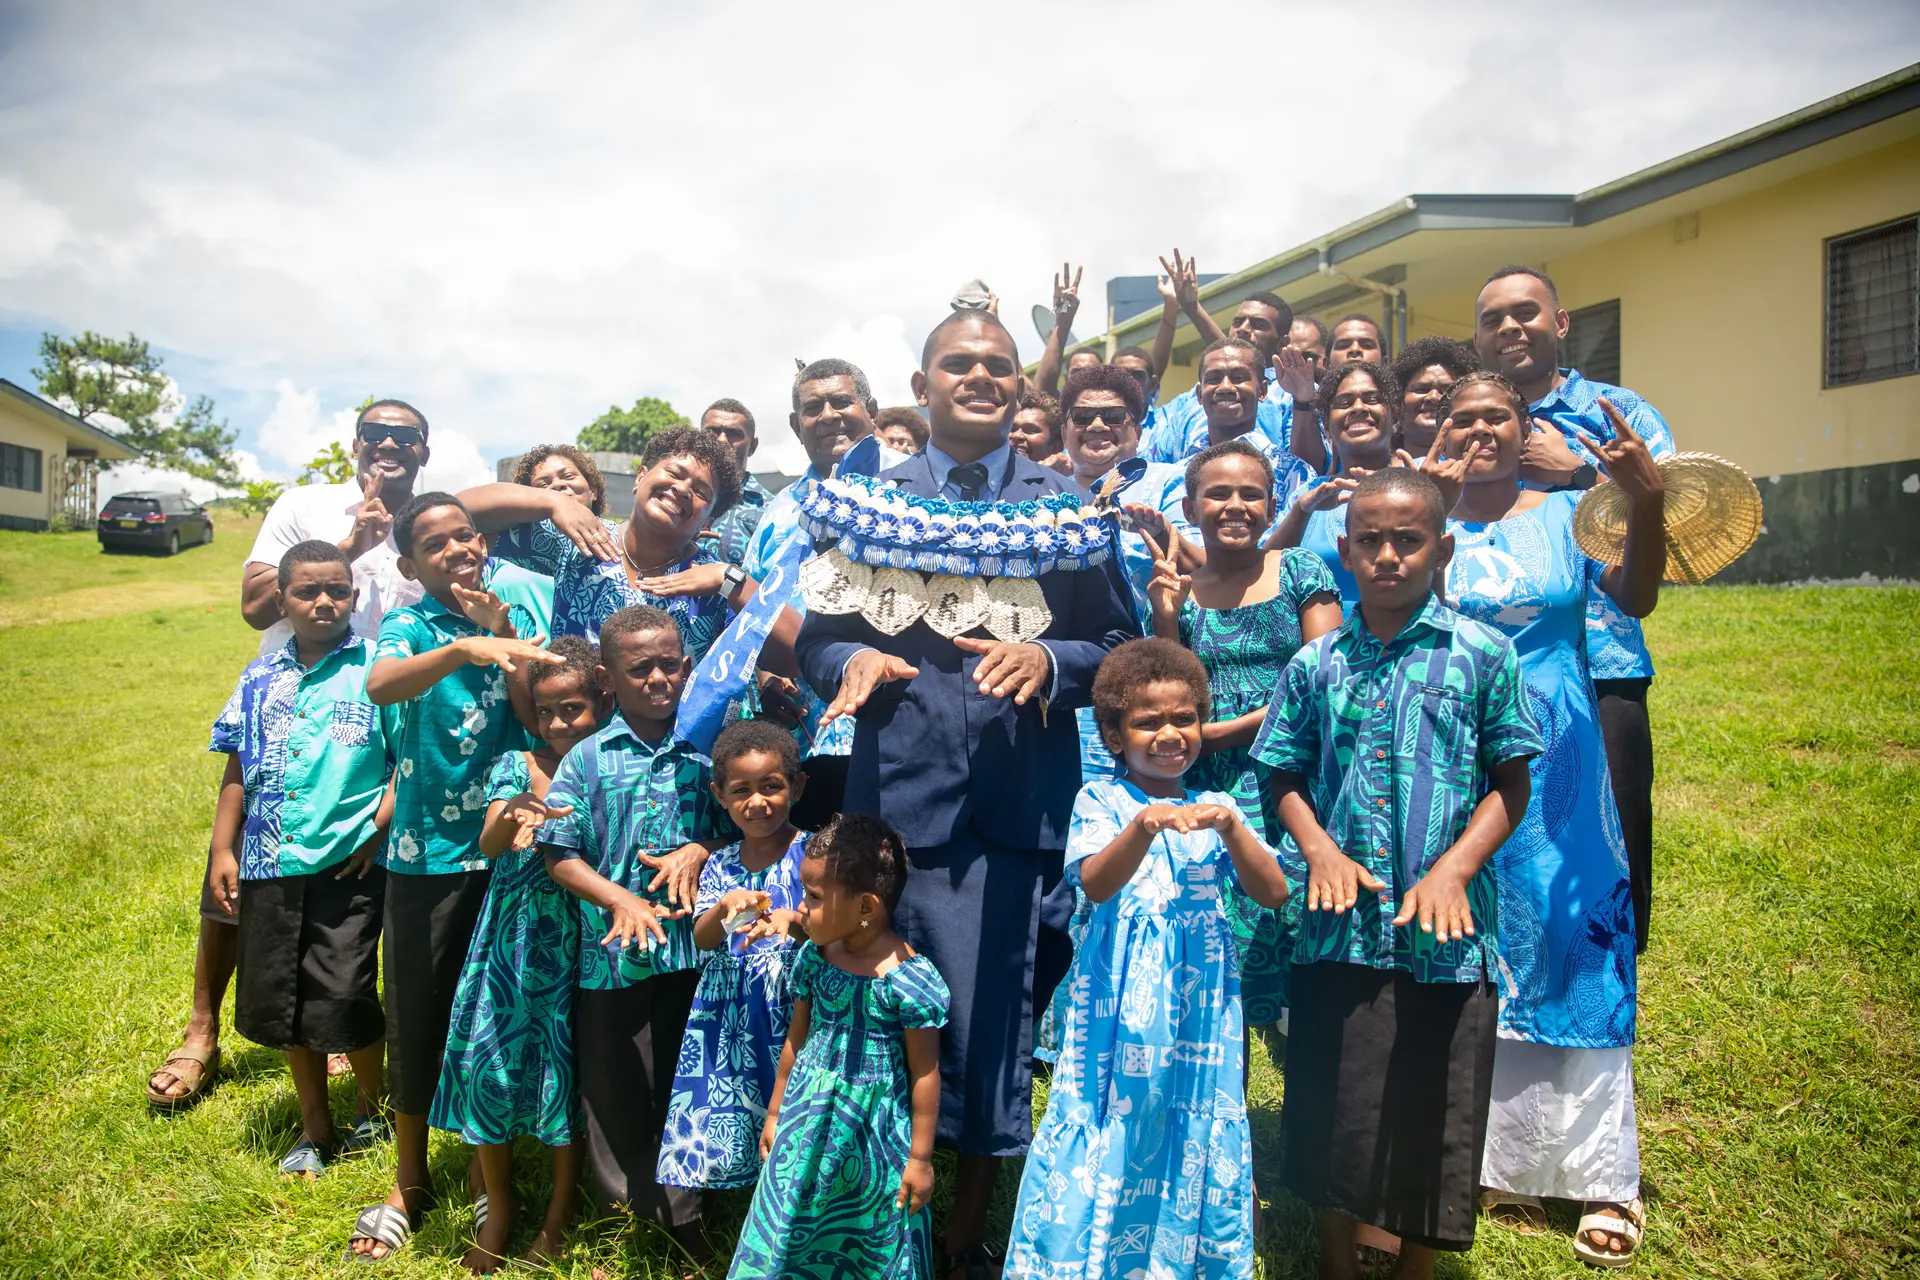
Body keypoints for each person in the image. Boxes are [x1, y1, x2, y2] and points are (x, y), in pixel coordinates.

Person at [794, 309, 1136, 1278]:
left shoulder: (1069, 506)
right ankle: (865, 1215)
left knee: (993, 1020)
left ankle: (965, 1233)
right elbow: (817, 638)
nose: (980, 377)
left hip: (1016, 803)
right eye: (960, 364)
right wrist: (853, 655)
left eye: (998, 365)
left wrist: (1047, 655)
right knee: (878, 1009)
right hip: (893, 800)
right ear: (922, 381)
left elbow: (1116, 645)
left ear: (1021, 385)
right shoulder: (865, 500)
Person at [1252, 467, 1543, 1280]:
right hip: (1337, 932)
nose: (1387, 555)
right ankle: (1338, 1262)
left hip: (1446, 936)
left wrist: (1454, 868)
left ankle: (1418, 1264)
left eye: (1407, 540)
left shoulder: (1484, 654)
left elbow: (1510, 782)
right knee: (1334, 1105)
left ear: (1441, 549)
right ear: (1343, 552)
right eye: (1369, 541)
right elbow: (1280, 776)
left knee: (1434, 1108)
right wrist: (1320, 849)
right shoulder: (1316, 665)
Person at [1433, 370, 1666, 1268]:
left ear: (1524, 426)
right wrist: (1434, 514)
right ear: (1443, 428)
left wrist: (1643, 505)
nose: (1481, 430)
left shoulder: (1565, 514)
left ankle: (1606, 1177)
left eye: (1497, 417)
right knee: (1483, 943)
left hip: (1559, 748)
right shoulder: (1424, 513)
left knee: (1575, 934)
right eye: (1463, 418)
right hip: (1452, 747)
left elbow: (1634, 597)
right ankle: (1507, 1163)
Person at [148, 398, 431, 1113]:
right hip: (285, 715)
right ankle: (203, 1029)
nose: (389, 446)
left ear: (424, 451)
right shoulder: (307, 504)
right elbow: (252, 605)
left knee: (349, 897)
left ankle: (343, 1030)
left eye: (405, 437)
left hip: (373, 728)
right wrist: (351, 545)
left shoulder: (428, 522)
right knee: (245, 879)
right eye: (376, 433)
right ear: (356, 443)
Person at [1006, 637, 1291, 1278]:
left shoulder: (1221, 809)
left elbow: (1272, 892)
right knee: (1115, 1115)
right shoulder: (1101, 802)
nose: (1170, 733)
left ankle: (1179, 1259)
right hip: (1118, 1006)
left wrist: (1233, 828)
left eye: (1183, 718)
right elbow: (1098, 883)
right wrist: (1143, 825)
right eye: (1148, 721)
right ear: (1113, 734)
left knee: (1190, 1112)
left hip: (1200, 1007)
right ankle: (1088, 1257)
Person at [348, 493, 561, 1262]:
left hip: (502, 856)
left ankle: (482, 1174)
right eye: (435, 545)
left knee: (486, 1018)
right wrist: (464, 649)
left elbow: (536, 720)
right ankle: (409, 1178)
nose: (457, 550)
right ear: (410, 566)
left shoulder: (513, 621)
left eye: (466, 536)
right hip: (426, 859)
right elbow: (381, 686)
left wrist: (499, 636)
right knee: (417, 1011)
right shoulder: (409, 626)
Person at [1474, 265, 1676, 957]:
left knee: (1613, 838)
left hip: (1605, 664)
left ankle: (1608, 996)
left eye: (1526, 312)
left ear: (1560, 323)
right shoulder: (1472, 424)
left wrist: (1580, 473)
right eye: (1493, 319)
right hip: (1499, 679)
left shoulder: (1619, 414)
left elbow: (1674, 511)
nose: (1510, 328)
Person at [534, 605, 735, 1264]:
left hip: (695, 958)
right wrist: (618, 896)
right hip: (614, 962)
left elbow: (743, 830)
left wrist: (700, 849)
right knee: (620, 1084)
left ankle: (688, 1219)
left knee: (689, 1081)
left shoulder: (709, 749)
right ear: (606, 678)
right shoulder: (587, 761)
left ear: (687, 664)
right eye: (639, 668)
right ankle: (631, 1213)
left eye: (669, 664)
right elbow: (558, 853)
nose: (659, 678)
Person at [207, 541, 395, 1179]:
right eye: (308, 592)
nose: (323, 602)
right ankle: (316, 1125)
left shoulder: (377, 667)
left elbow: (408, 757)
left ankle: (375, 1108)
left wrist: (379, 828)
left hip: (350, 861)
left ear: (355, 594)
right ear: (281, 601)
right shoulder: (261, 677)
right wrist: (222, 851)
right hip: (269, 858)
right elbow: (238, 765)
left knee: (347, 990)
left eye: (337, 590)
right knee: (284, 998)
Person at [1146, 439, 1343, 1029]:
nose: (1235, 505)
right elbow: (1166, 695)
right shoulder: (1175, 590)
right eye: (1218, 494)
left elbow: (1324, 680)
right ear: (1189, 506)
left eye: (1251, 494)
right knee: (1216, 946)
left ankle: (1309, 1070)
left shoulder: (1300, 570)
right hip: (1209, 788)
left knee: (1301, 922)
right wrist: (1164, 615)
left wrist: (1217, 733)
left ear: (1271, 503)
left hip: (1295, 777)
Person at [428, 635, 606, 1274]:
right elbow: (491, 838)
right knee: (490, 1065)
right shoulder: (514, 762)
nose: (560, 723)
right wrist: (513, 817)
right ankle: (497, 1206)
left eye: (575, 709)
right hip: (512, 941)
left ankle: (559, 1214)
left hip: (578, 943)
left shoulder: (607, 766)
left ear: (601, 702)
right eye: (548, 710)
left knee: (565, 1072)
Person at [727, 815, 949, 1279]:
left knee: (866, 1230)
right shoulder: (815, 957)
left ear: (866, 905)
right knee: (791, 1218)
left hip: (874, 1136)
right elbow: (796, 1039)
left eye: (813, 897)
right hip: (804, 1120)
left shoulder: (909, 981)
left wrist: (920, 1160)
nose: (801, 909)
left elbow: (925, 1072)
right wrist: (773, 1114)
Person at [457, 427, 772, 665]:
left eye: (701, 491)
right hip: (573, 741)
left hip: (674, 750)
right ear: (640, 477)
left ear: (709, 519)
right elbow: (456, 514)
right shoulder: (582, 540)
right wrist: (551, 501)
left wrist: (731, 580)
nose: (682, 489)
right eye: (675, 473)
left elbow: (787, 656)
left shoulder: (711, 578)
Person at [741, 359, 899, 828]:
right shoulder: (778, 512)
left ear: (871, 410)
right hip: (807, 744)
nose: (828, 414)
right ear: (796, 425)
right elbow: (752, 615)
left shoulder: (918, 489)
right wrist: (766, 678)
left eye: (842, 401)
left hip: (899, 736)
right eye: (813, 407)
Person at [656, 719, 811, 1195]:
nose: (757, 801)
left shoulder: (815, 854)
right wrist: (724, 908)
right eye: (741, 790)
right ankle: (736, 1201)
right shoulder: (720, 864)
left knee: (788, 1102)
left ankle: (787, 1198)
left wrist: (795, 920)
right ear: (719, 795)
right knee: (732, 1097)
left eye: (771, 786)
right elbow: (703, 939)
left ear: (797, 786)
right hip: (728, 1014)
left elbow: (830, 926)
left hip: (792, 1007)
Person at [1145, 250, 1324, 473]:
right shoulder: (1194, 400)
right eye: (1238, 322)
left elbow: (1308, 469)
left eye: (1258, 324)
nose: (1244, 329)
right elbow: (1152, 466)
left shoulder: (1297, 394)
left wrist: (1303, 402)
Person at [1149, 336, 1320, 508]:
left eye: (1238, 378)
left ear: (1262, 391)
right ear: (1200, 394)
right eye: (1214, 379)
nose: (1225, 387)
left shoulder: (1293, 472)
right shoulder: (1174, 475)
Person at [497, 443, 611, 640]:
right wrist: (553, 502)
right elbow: (465, 511)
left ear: (593, 490)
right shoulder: (547, 540)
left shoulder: (625, 532)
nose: (558, 485)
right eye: (543, 486)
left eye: (568, 476)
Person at [701, 398, 772, 566]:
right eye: (713, 431)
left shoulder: (771, 510)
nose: (722, 440)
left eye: (734, 433)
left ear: (753, 446)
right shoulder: (676, 496)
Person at [1390, 336, 1480, 459]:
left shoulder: (1485, 472)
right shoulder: (1373, 471)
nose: (1433, 397)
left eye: (1447, 390)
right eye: (1421, 389)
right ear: (1398, 400)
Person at [1008, 390, 1073, 475]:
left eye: (1031, 431)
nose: (1017, 435)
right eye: (1012, 429)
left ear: (1055, 447)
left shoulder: (1067, 484)